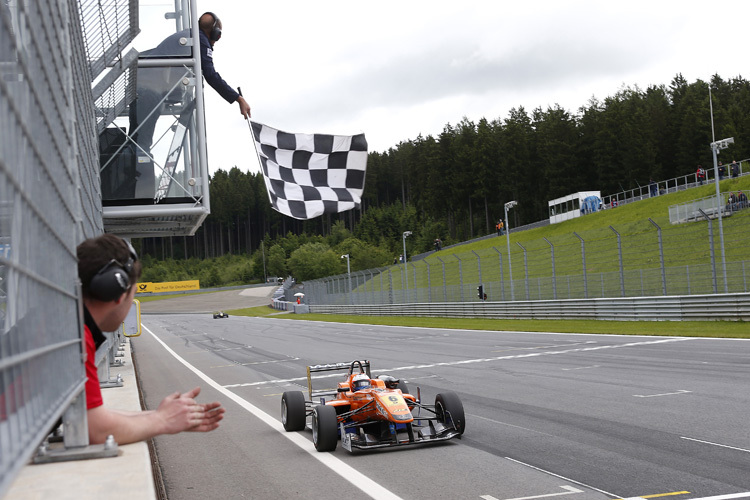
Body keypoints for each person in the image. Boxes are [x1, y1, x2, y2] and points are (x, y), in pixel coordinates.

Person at [77, 234, 225, 445]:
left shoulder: (66, 325)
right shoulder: (76, 337)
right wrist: (162, 420)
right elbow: (97, 430)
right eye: (133, 294)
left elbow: (87, 416)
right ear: (117, 292)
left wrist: (160, 415)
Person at [128, 12, 251, 198]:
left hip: (143, 89)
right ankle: (139, 198)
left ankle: (131, 192)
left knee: (134, 143)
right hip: (149, 92)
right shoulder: (199, 39)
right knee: (141, 146)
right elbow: (210, 74)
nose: (217, 40)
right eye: (218, 35)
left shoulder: (188, 37)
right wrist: (238, 98)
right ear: (215, 32)